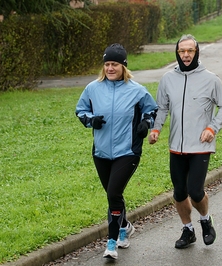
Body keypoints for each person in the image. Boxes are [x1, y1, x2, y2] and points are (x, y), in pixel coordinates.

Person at [148, 34, 222, 249]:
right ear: (177, 53)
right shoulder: (168, 79)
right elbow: (162, 108)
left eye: (190, 51)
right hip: (176, 146)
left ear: (197, 53)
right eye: (182, 51)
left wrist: (212, 128)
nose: (186, 55)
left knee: (195, 191)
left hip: (200, 146)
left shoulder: (210, 79)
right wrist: (156, 128)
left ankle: (205, 221)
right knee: (179, 192)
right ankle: (188, 230)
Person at [75, 43, 158, 260]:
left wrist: (145, 123)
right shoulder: (92, 88)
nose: (110, 68)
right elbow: (80, 110)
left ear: (123, 66)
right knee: (114, 195)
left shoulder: (137, 90)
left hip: (127, 151)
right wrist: (91, 120)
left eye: (115, 64)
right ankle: (124, 227)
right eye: (107, 64)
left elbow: (152, 110)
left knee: (113, 193)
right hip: (101, 152)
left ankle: (111, 244)